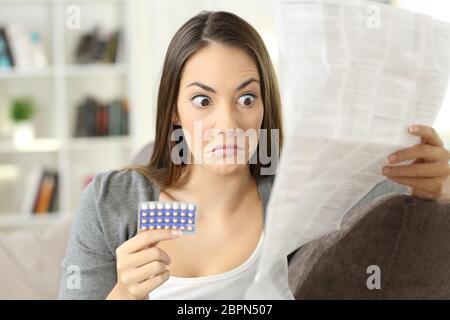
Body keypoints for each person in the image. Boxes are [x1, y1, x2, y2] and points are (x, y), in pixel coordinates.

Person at [58, 11, 450, 300]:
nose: (227, 122)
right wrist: (124, 294)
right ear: (174, 110)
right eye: (202, 100)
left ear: (265, 106)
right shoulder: (109, 202)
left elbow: (402, 197)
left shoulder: (300, 187)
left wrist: (437, 183)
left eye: (246, 98)